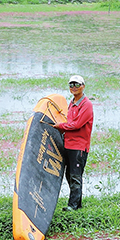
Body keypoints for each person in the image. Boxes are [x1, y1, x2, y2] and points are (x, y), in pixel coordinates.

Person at [51, 75, 94, 211]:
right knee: (69, 175)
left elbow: (76, 125)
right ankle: (77, 203)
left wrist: (60, 126)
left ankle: (73, 205)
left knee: (75, 175)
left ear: (83, 86)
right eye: (71, 85)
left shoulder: (86, 105)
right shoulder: (72, 102)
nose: (73, 87)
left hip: (79, 146)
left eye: (77, 84)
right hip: (68, 144)